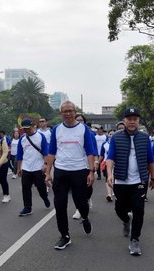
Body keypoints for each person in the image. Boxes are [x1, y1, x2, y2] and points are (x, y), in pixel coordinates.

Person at [45, 101, 96, 250]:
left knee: (81, 203)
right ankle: (65, 236)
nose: (67, 113)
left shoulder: (84, 129)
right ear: (61, 114)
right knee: (59, 204)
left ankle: (85, 217)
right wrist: (48, 173)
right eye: (64, 111)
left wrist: (91, 172)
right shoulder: (56, 129)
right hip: (60, 171)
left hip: (79, 170)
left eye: (70, 111)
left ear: (75, 112)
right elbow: (51, 152)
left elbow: (90, 151)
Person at [107, 107, 154, 256]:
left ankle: (135, 240)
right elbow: (110, 157)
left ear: (138, 121)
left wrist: (153, 177)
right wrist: (109, 174)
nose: (132, 122)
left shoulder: (144, 138)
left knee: (139, 210)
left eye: (135, 119)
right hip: (121, 180)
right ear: (124, 121)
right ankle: (125, 220)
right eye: (129, 119)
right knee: (119, 209)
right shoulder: (116, 137)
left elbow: (150, 160)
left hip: (140, 181)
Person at [16, 119, 50, 216]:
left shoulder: (40, 136)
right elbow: (19, 155)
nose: (26, 130)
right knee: (25, 188)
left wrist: (45, 164)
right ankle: (27, 207)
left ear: (32, 126)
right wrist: (19, 168)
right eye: (24, 129)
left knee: (41, 187)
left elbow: (45, 152)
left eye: (28, 128)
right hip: (26, 168)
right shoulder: (22, 139)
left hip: (38, 168)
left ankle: (45, 197)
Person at [72, 113, 98, 219]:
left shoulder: (89, 134)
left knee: (88, 186)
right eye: (77, 120)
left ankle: (87, 198)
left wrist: (95, 162)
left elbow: (94, 150)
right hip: (75, 165)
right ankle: (79, 208)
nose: (79, 122)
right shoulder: (70, 133)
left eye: (81, 120)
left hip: (88, 164)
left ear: (85, 122)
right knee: (77, 188)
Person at [99, 129, 114, 202]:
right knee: (108, 178)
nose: (111, 135)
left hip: (117, 164)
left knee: (115, 179)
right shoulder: (104, 144)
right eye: (110, 134)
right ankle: (109, 194)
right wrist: (97, 162)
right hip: (106, 163)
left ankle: (115, 192)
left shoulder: (118, 143)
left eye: (113, 134)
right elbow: (102, 155)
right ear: (108, 135)